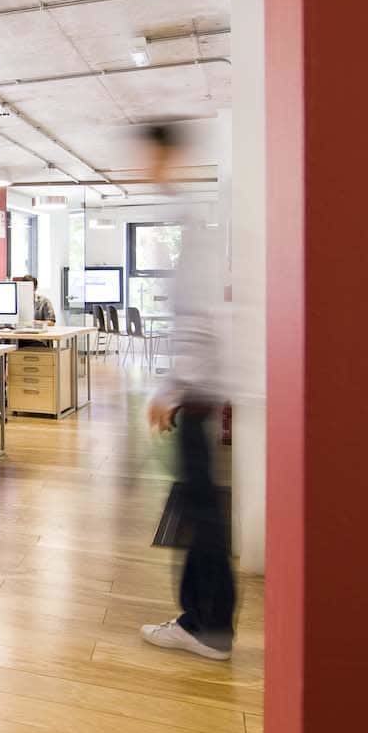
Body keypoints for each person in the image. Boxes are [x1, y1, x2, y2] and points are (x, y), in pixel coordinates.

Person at [135, 124, 235, 661]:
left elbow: (199, 322)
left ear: (166, 157)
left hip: (198, 394)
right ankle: (203, 620)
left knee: (202, 510)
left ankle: (207, 626)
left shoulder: (198, 233)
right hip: (202, 392)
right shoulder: (199, 226)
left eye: (150, 158)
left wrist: (171, 388)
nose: (143, 169)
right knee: (200, 509)